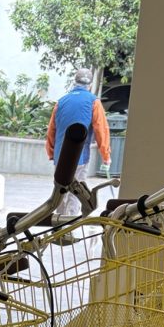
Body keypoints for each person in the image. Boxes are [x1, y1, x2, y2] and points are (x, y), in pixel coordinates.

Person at [45, 68, 111, 216]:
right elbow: (101, 131)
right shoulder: (93, 102)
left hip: (59, 157)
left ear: (75, 81)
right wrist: (106, 157)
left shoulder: (61, 102)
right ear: (90, 83)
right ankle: (71, 227)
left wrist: (51, 153)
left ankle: (58, 228)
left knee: (59, 191)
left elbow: (51, 131)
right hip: (79, 157)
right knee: (76, 192)